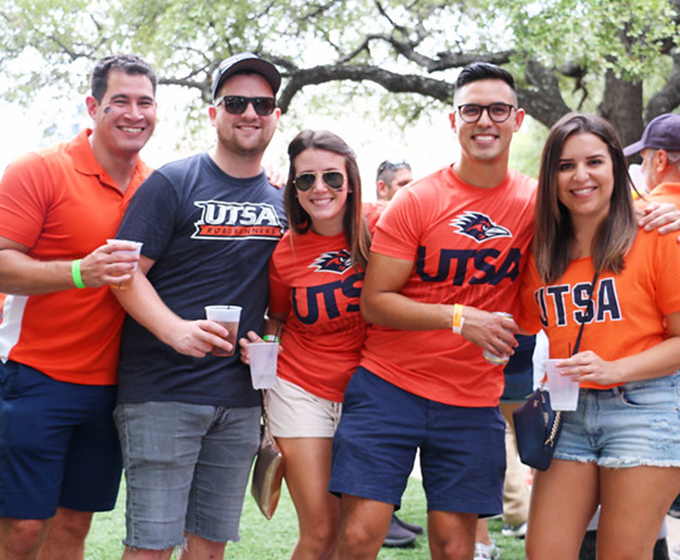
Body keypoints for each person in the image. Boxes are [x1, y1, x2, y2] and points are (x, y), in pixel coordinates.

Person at [329, 62, 537, 560]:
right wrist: (459, 317)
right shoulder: (417, 200)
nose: (484, 121)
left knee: (453, 543)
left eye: (497, 109)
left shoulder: (535, 200)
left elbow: (607, 205)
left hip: (471, 398)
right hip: (390, 386)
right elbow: (375, 302)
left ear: (518, 119)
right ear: (453, 120)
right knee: (359, 535)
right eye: (471, 109)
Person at [110, 52, 286, 559]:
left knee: (209, 547)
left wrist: (267, 345)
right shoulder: (172, 182)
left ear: (275, 115)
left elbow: (282, 296)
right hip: (162, 393)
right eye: (236, 102)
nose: (249, 113)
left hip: (239, 400)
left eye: (262, 103)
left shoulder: (282, 198)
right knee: (152, 546)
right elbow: (123, 276)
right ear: (214, 113)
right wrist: (176, 331)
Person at [0, 54, 157, 560]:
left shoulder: (156, 188)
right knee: (22, 529)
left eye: (145, 102)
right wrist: (77, 272)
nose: (134, 113)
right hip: (33, 377)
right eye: (120, 102)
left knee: (73, 527)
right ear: (93, 107)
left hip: (112, 390)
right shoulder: (39, 169)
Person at [519, 112, 680, 560]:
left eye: (594, 162)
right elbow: (526, 324)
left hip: (644, 408)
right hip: (568, 414)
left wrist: (613, 369)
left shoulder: (656, 232)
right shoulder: (542, 250)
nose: (580, 176)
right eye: (565, 166)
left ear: (615, 166)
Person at [239, 129, 370, 559]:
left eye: (332, 177)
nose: (320, 189)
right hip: (300, 390)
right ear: (293, 189)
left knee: (357, 531)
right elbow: (277, 317)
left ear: (350, 179)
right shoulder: (286, 251)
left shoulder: (381, 229)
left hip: (370, 394)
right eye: (305, 179)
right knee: (321, 530)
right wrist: (262, 351)